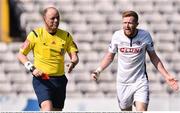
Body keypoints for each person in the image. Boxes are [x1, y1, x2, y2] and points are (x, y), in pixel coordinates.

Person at [91, 10, 179, 111]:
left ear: (137, 24)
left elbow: (154, 57)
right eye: (124, 23)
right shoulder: (117, 36)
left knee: (141, 111)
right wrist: (98, 70)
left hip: (140, 81)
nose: (127, 26)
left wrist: (167, 76)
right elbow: (109, 57)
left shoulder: (145, 36)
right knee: (126, 111)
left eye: (130, 23)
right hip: (123, 82)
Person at [17, 7, 79, 111]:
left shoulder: (66, 36)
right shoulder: (35, 35)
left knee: (56, 111)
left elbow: (75, 56)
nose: (56, 21)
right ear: (45, 19)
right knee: (47, 108)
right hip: (43, 79)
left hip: (60, 80)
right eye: (52, 18)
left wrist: (73, 62)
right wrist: (32, 68)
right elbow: (21, 55)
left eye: (58, 18)